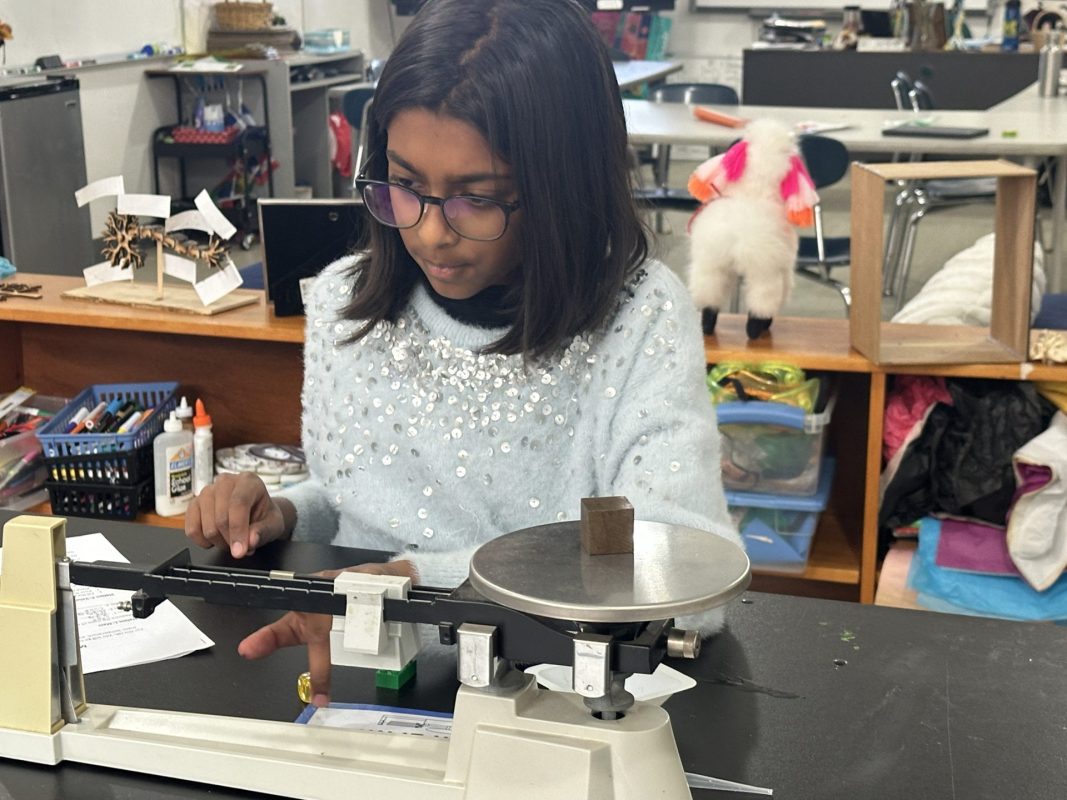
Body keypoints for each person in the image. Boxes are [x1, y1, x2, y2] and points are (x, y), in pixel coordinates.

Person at [184, 0, 740, 706]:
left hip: (556, 701)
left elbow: (684, 572)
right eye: (404, 184)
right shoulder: (345, 303)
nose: (429, 233)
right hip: (373, 680)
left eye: (476, 198)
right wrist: (288, 514)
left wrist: (420, 582)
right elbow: (365, 498)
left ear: (562, 187)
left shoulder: (637, 316)